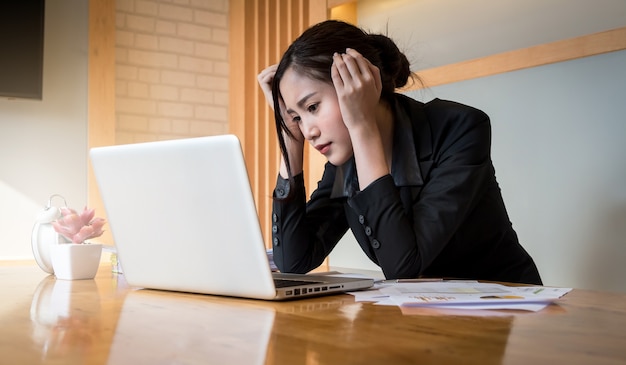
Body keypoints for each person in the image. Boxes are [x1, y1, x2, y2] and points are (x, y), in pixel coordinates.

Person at [257, 20, 542, 284]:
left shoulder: (460, 128)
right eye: (296, 118)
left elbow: (404, 266)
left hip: (504, 307)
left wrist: (363, 126)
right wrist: (288, 138)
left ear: (358, 82)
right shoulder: (344, 160)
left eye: (312, 108)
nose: (308, 131)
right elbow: (294, 260)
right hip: (420, 320)